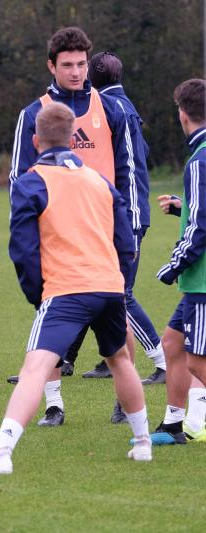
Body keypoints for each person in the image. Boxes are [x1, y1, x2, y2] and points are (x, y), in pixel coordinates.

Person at [0, 102, 151, 475]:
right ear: (74, 139)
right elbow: (125, 243)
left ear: (35, 139)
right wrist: (118, 282)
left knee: (35, 368)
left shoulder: (30, 181)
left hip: (67, 289)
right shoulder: (99, 181)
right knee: (119, 359)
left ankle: (0, 453)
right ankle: (142, 443)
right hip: (109, 286)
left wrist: (37, 294)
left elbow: (23, 250)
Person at [6, 28, 161, 426]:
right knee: (49, 311)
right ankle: (54, 405)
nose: (75, 72)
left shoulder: (111, 109)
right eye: (67, 65)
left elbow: (130, 171)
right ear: (51, 66)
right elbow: (19, 178)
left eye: (80, 64)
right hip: (57, 232)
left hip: (106, 229)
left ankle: (123, 402)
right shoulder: (33, 114)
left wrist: (134, 224)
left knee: (120, 306)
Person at [71, 52, 166, 391]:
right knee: (94, 285)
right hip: (118, 213)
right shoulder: (123, 106)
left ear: (91, 78)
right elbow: (145, 154)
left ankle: (161, 360)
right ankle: (97, 358)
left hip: (125, 215)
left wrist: (128, 217)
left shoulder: (115, 110)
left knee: (120, 294)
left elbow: (130, 166)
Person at [147, 79, 206, 445]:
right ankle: (173, 424)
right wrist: (184, 209)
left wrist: (174, 265)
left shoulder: (199, 160)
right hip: (197, 280)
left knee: (199, 360)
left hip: (201, 279)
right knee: (172, 344)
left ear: (181, 114)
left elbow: (200, 228)